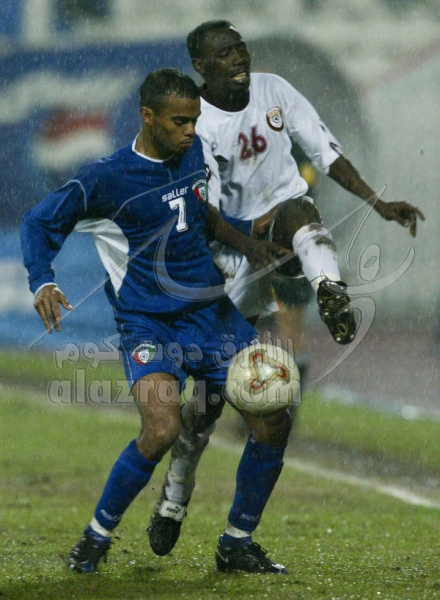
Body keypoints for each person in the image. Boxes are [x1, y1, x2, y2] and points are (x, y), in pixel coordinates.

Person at [147, 20, 425, 558]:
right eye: (224, 52)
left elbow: (325, 152)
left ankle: (330, 289)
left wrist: (377, 203)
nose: (239, 57)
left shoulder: (274, 90)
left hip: (280, 236)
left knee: (298, 211)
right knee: (204, 406)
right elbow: (204, 216)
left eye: (240, 47)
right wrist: (249, 242)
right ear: (201, 66)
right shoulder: (195, 125)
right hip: (228, 259)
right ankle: (175, 494)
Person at [21, 68, 292, 575]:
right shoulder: (107, 178)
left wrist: (250, 239)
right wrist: (42, 280)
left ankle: (237, 543)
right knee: (163, 427)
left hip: (212, 317)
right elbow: (39, 221)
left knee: (274, 417)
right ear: (148, 117)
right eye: (179, 122)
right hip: (150, 325)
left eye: (194, 120)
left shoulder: (191, 153)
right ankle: (95, 538)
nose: (191, 131)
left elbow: (201, 216)